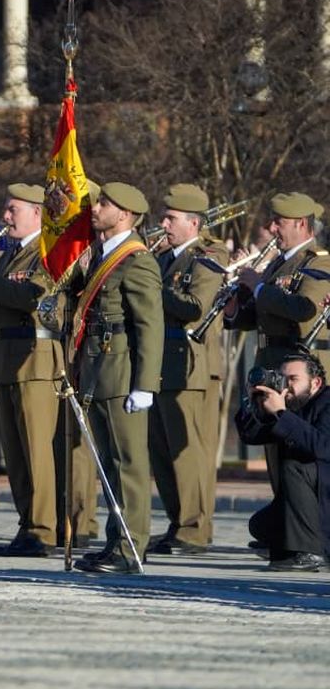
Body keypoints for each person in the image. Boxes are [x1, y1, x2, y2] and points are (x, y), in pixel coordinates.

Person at [61, 182, 163, 574]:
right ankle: (116, 540)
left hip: (122, 374)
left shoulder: (136, 261)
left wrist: (145, 385)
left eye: (103, 203)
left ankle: (130, 545)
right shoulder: (103, 256)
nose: (95, 207)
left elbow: (149, 327)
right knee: (109, 464)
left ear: (124, 214)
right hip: (99, 370)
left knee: (128, 464)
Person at [0, 184, 65, 558]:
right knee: (16, 453)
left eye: (13, 210)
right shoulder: (11, 253)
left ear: (37, 214)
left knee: (36, 451)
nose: (6, 216)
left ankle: (44, 529)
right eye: (6, 209)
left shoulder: (47, 252)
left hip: (35, 357)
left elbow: (28, 298)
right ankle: (26, 525)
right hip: (5, 355)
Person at [228, 191, 330, 560]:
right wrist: (239, 293)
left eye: (279, 222)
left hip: (298, 371)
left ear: (301, 224)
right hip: (272, 364)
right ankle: (289, 536)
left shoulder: (318, 261)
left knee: (299, 452)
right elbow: (249, 317)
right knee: (275, 452)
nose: (272, 228)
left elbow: (304, 309)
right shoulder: (277, 266)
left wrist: (258, 285)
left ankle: (307, 542)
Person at [149, 185, 228, 555]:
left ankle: (195, 529)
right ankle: (178, 522)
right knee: (162, 451)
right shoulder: (163, 258)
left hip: (191, 365)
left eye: (171, 218)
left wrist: (152, 284)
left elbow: (195, 306)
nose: (163, 223)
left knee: (189, 451)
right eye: (164, 216)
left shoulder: (209, 255)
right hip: (161, 363)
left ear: (193, 223)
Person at [239, 349, 328, 571]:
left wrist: (281, 413)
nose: (286, 386)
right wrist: (253, 403)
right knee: (260, 525)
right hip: (311, 494)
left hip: (326, 493)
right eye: (282, 378)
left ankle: (311, 553)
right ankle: (296, 546)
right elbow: (251, 436)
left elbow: (321, 447)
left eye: (293, 379)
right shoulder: (290, 404)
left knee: (293, 467)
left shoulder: (327, 402)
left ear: (315, 382)